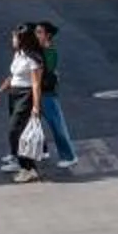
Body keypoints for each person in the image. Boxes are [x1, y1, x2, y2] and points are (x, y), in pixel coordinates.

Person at [0, 26, 45, 177]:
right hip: (14, 94)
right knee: (17, 131)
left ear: (22, 40)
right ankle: (21, 162)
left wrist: (36, 107)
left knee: (15, 131)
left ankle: (28, 168)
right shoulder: (19, 55)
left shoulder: (33, 59)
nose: (12, 40)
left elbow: (36, 84)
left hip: (26, 95)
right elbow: (12, 77)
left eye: (15, 38)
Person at [28, 21, 79, 172]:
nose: (36, 35)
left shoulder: (49, 51)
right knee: (34, 122)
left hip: (47, 93)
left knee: (57, 125)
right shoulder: (39, 50)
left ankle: (69, 155)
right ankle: (42, 150)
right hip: (39, 91)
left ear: (47, 35)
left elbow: (46, 70)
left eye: (39, 32)